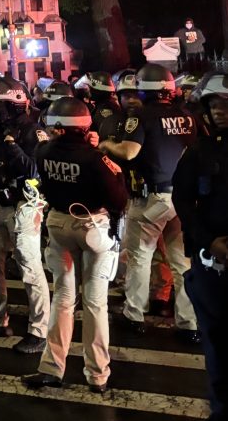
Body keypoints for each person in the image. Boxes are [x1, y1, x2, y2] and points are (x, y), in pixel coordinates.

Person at [24, 97, 128, 394]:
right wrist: (95, 150)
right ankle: (97, 375)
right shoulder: (95, 158)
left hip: (58, 224)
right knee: (95, 303)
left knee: (63, 299)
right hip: (92, 226)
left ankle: (52, 368)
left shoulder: (42, 151)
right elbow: (118, 198)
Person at [100, 63, 199, 342]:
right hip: (183, 198)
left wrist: (107, 145)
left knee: (140, 259)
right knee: (182, 264)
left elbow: (129, 152)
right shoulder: (187, 117)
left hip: (150, 199)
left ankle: (134, 316)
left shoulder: (141, 117)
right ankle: (188, 324)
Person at [0, 75, 50, 352]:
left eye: (0, 104)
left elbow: (35, 170)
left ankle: (39, 329)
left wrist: (13, 146)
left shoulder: (32, 130)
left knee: (29, 266)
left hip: (22, 205)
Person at [173, 71, 228, 420]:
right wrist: (210, 241)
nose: (220, 110)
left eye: (226, 104)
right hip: (213, 268)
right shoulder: (196, 153)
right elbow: (182, 200)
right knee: (219, 347)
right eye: (214, 104)